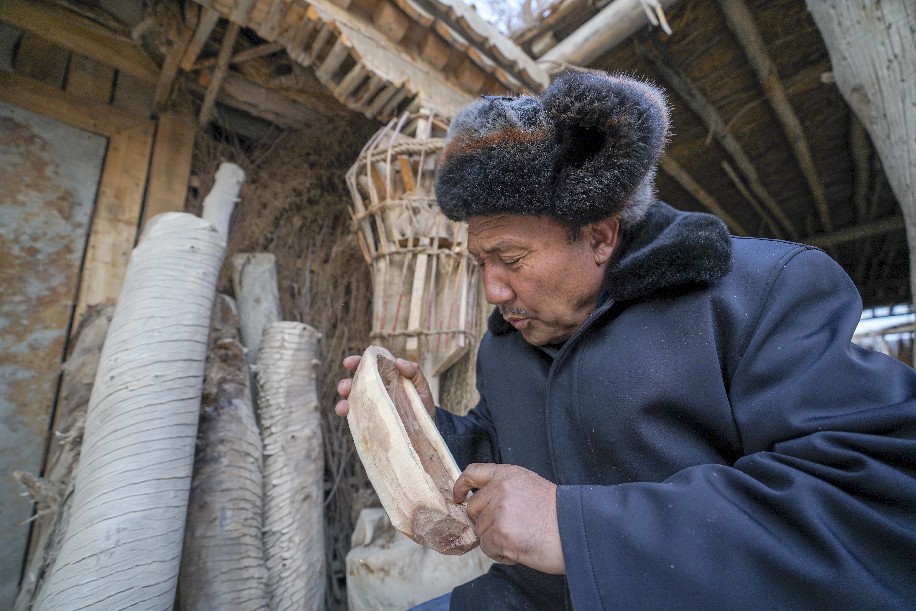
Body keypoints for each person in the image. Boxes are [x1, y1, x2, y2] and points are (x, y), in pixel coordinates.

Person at [336, 68, 916, 609]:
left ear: (599, 236)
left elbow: (876, 502)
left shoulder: (758, 294)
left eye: (510, 259)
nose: (492, 290)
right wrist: (429, 431)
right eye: (480, 262)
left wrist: (576, 527)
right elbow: (510, 451)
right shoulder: (506, 345)